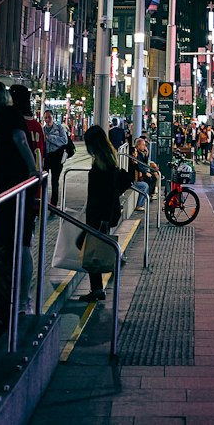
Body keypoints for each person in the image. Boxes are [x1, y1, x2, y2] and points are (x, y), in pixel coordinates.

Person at [0, 80, 39, 314]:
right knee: (5, 243)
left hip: (17, 189)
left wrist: (33, 170)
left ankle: (22, 299)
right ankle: (5, 297)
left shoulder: (9, 115)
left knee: (20, 244)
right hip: (5, 190)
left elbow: (20, 140)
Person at [79, 125, 133, 302]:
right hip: (104, 214)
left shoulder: (103, 164)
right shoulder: (108, 159)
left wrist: (104, 218)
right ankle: (97, 288)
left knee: (87, 246)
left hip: (100, 214)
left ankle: (109, 270)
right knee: (89, 246)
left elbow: (107, 192)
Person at [43, 110, 72, 205]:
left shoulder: (59, 128)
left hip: (57, 157)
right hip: (46, 158)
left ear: (53, 118)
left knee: (55, 181)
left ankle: (53, 204)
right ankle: (42, 202)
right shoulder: (42, 129)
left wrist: (50, 137)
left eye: (49, 117)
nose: (47, 119)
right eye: (45, 117)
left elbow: (64, 141)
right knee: (44, 181)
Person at [130, 136, 160, 207]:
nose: (144, 146)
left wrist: (147, 154)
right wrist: (145, 172)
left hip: (143, 171)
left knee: (154, 177)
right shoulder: (136, 154)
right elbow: (139, 166)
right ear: (138, 145)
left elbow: (144, 163)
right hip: (139, 174)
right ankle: (148, 195)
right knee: (150, 179)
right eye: (143, 145)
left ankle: (150, 194)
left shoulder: (141, 153)